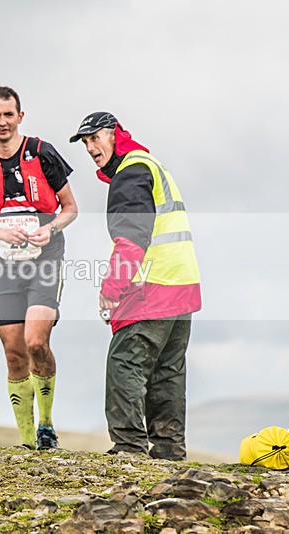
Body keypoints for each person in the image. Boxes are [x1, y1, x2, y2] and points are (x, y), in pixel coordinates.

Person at [70, 111, 201, 460]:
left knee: (125, 363)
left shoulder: (130, 173)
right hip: (183, 284)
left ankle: (129, 449)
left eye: (95, 138)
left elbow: (131, 239)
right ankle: (169, 452)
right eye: (85, 143)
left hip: (152, 286)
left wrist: (111, 290)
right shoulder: (152, 165)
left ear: (114, 134)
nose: (90, 148)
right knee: (167, 373)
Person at [0, 86, 78, 449]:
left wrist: (50, 227)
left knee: (36, 342)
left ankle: (46, 425)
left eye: (9, 115)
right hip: (3, 265)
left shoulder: (42, 153)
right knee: (13, 352)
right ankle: (26, 441)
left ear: (20, 117)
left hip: (45, 259)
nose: (3, 122)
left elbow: (70, 208)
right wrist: (0, 233)